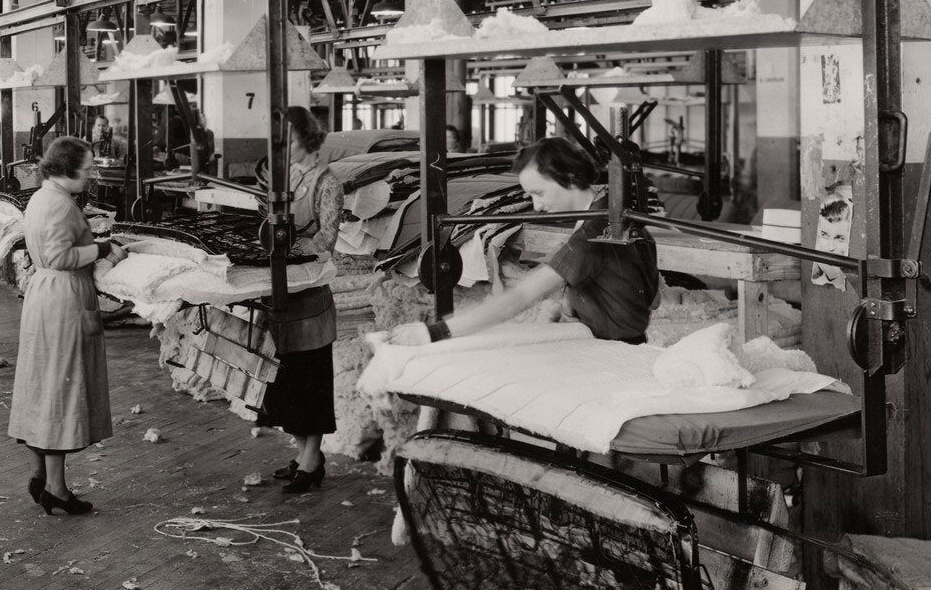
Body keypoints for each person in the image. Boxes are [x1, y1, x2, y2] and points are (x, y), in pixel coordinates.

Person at [389, 138, 659, 346]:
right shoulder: (613, 214)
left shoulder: (594, 234)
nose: (536, 206)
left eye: (538, 193)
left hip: (614, 352)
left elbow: (520, 296)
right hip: (614, 340)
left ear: (572, 179)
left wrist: (434, 332)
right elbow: (654, 297)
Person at [8, 136, 113, 516]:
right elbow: (60, 255)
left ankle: (41, 474)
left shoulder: (41, 196)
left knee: (44, 386)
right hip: (62, 298)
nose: (91, 175)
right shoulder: (58, 203)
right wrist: (102, 248)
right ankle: (56, 488)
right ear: (67, 169)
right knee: (60, 390)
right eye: (87, 169)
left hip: (46, 294)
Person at [265, 107, 341, 495]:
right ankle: (300, 454)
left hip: (309, 296)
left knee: (311, 381)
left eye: (291, 142)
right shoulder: (288, 177)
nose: (286, 150)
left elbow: (326, 241)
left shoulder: (328, 183)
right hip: (285, 294)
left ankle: (313, 459)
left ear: (308, 141)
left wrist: (287, 246)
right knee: (289, 381)